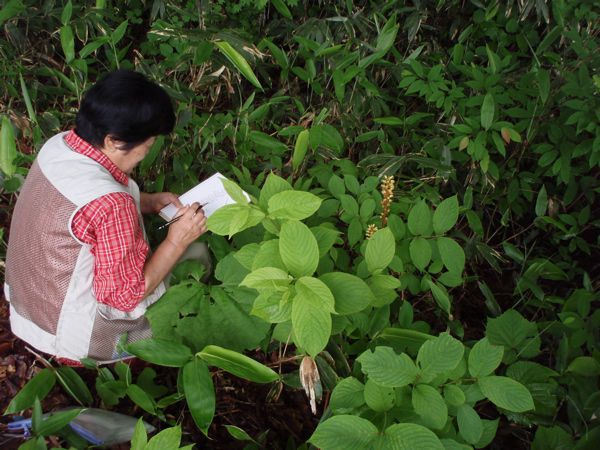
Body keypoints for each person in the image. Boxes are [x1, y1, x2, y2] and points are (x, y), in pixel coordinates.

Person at [4, 70, 207, 364]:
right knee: (196, 255)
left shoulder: (59, 145)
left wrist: (146, 202)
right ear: (112, 141)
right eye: (147, 147)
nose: (145, 155)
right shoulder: (112, 203)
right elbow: (126, 295)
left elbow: (83, 211)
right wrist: (177, 240)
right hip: (77, 339)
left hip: (28, 310)